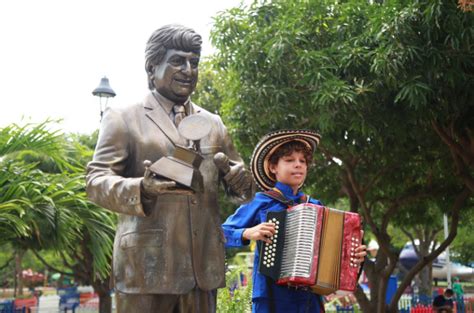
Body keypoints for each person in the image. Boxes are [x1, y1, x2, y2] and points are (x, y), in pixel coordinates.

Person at [86, 24, 253, 313]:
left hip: (203, 269)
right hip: (146, 267)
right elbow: (96, 182)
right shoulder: (123, 118)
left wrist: (241, 181)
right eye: (178, 61)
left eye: (194, 63)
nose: (188, 69)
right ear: (152, 68)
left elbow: (243, 189)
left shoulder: (214, 123)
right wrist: (141, 189)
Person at [222, 130, 367, 313]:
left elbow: (331, 256)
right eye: (290, 160)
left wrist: (352, 255)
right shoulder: (260, 201)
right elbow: (220, 233)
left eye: (302, 161)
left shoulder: (315, 205)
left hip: (310, 300)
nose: (298, 165)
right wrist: (247, 232)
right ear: (273, 167)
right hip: (272, 297)